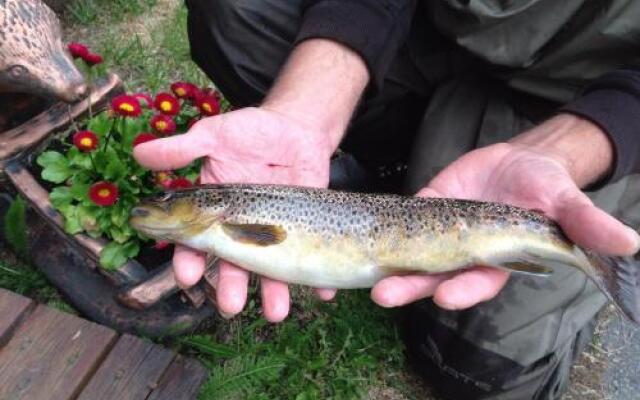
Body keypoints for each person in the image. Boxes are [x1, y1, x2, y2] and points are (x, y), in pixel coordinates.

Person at [133, 1, 640, 398]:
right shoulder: (226, 217)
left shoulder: (232, 222)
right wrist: (306, 109)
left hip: (585, 103)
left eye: (165, 201)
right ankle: (397, 157)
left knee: (476, 369)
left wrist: (570, 150)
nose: (155, 208)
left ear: (208, 208)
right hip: (431, 35)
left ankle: (597, 253)